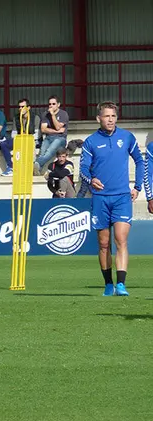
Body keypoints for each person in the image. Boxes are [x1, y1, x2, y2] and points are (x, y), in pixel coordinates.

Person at [79, 101, 144, 297]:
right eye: (107, 116)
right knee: (104, 243)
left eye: (113, 116)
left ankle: (121, 284)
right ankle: (108, 284)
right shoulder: (90, 142)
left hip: (122, 197)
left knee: (121, 240)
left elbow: (140, 161)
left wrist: (137, 187)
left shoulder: (127, 137)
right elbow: (83, 169)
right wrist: (91, 180)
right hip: (100, 198)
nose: (110, 120)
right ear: (98, 118)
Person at [34, 96, 69, 175]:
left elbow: (58, 127)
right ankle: (37, 170)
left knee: (49, 152)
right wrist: (57, 131)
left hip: (60, 138)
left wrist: (53, 115)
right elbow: (43, 129)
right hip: (48, 137)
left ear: (58, 104)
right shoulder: (45, 114)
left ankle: (35, 164)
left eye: (53, 104)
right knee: (42, 153)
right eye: (50, 104)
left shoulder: (63, 114)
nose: (51, 106)